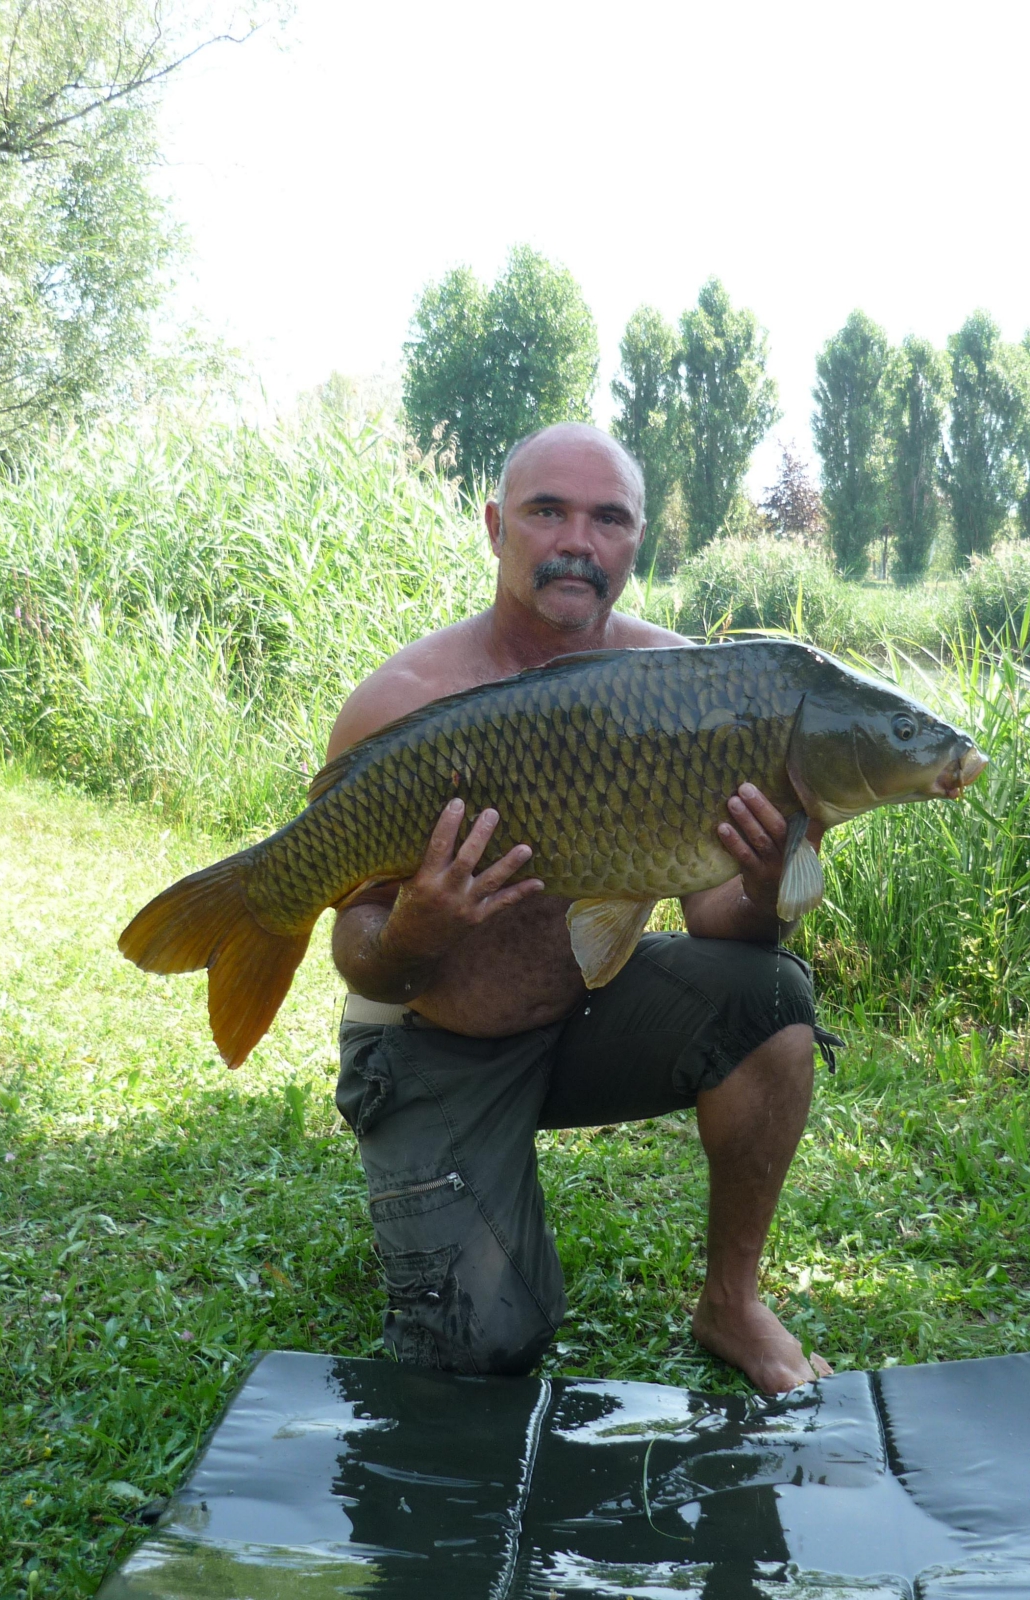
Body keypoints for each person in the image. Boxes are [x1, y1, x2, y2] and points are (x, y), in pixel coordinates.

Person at [327, 422, 837, 1394]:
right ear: (495, 527)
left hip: (580, 1012)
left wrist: (769, 885)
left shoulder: (687, 691)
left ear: (639, 538)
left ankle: (733, 1301)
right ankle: (444, 1174)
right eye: (547, 511)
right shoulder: (401, 703)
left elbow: (716, 923)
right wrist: (415, 933)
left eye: (608, 518)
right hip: (427, 1035)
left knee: (769, 994)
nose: (578, 541)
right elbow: (359, 955)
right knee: (486, 1346)